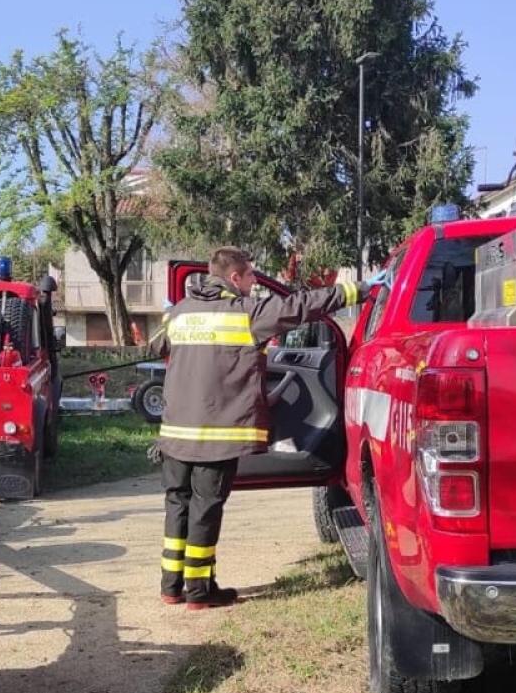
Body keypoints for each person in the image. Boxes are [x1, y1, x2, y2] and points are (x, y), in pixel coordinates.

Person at [154, 246, 372, 609]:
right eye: (252, 276)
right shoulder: (245, 314)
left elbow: (156, 344)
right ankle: (198, 591)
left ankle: (171, 586)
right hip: (216, 435)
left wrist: (168, 316)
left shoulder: (180, 313)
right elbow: (301, 306)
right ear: (234, 278)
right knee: (206, 507)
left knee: (178, 503)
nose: (255, 283)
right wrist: (360, 291)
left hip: (175, 432)